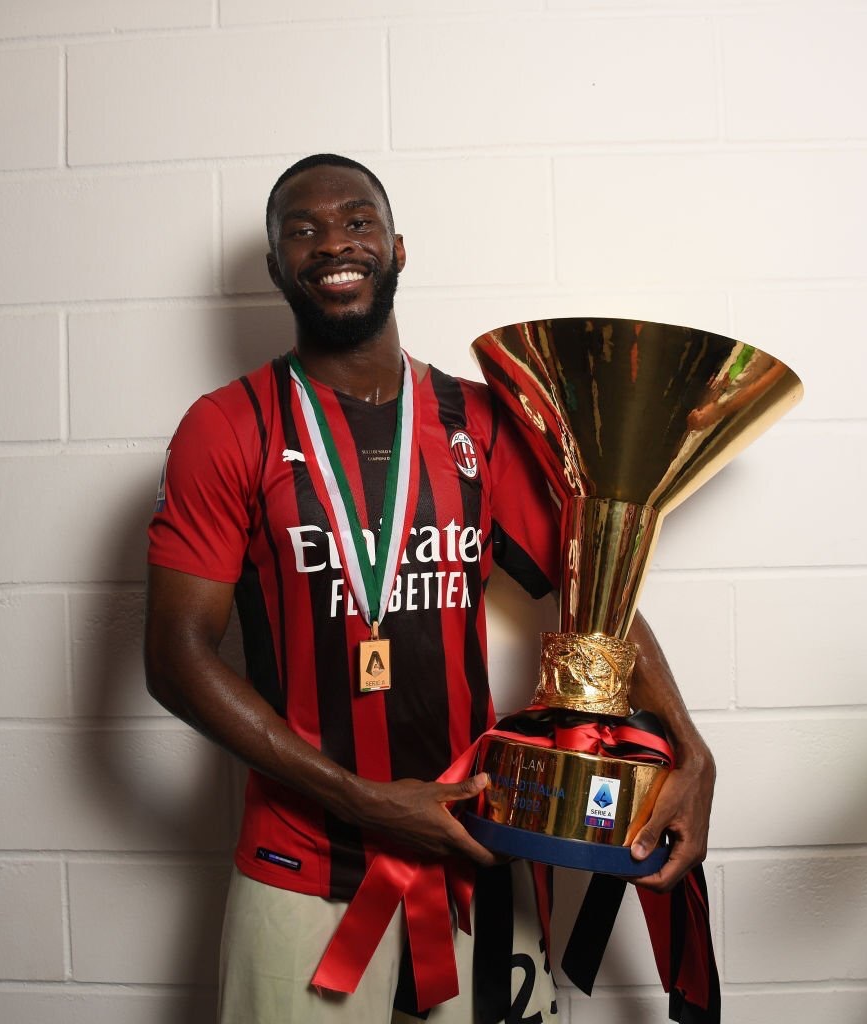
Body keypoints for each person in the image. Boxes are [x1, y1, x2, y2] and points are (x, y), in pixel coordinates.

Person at [144, 153, 716, 1024]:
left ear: (397, 248)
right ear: (274, 269)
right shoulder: (227, 427)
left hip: (476, 854)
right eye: (301, 230)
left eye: (356, 220)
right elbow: (175, 660)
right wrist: (363, 800)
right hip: (303, 870)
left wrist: (689, 749)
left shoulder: (478, 421)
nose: (333, 241)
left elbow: (593, 596)